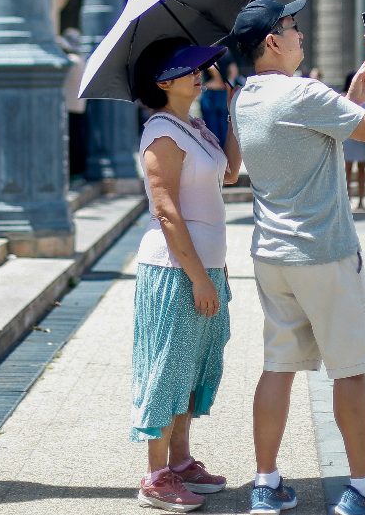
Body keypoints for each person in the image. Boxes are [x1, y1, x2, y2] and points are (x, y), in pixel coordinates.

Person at [231, 0, 365, 515]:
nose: (300, 34)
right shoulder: (301, 92)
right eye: (293, 26)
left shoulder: (244, 98)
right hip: (323, 250)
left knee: (278, 366)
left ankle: (265, 483)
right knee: (348, 368)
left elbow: (306, 136)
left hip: (272, 254)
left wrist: (352, 93)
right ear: (271, 41)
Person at [130, 38, 241, 512]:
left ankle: (180, 462)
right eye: (187, 68)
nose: (199, 73)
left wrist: (235, 113)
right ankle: (155, 477)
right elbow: (166, 211)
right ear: (162, 82)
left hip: (204, 265)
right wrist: (197, 276)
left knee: (192, 368)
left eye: (199, 67)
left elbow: (231, 173)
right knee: (168, 367)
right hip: (175, 267)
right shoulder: (161, 131)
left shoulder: (192, 126)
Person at [58, 29, 88, 177]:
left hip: (70, 105)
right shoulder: (81, 59)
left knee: (72, 141)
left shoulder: (72, 61)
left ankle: (75, 170)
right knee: (77, 137)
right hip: (79, 105)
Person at [341, 72, 365, 211]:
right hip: (348, 136)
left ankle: (361, 200)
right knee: (347, 170)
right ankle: (347, 199)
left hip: (362, 137)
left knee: (361, 170)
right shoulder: (343, 97)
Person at [199, 49, 237, 146]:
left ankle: (214, 153)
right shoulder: (225, 51)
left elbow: (212, 68)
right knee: (223, 126)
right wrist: (226, 84)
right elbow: (234, 70)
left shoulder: (208, 51)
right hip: (223, 93)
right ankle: (224, 154)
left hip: (211, 92)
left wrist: (219, 82)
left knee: (211, 128)